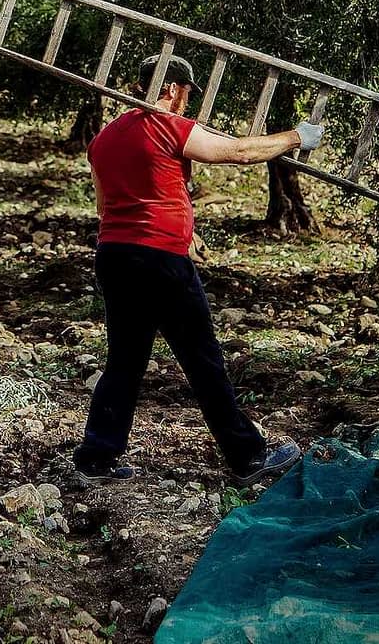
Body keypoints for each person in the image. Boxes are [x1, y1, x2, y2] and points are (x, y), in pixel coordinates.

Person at [73, 54, 325, 483]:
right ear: (172, 88)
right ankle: (248, 457)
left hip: (114, 256)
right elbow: (239, 152)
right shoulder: (168, 125)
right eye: (187, 93)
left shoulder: (104, 139)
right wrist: (296, 137)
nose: (187, 102)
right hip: (160, 261)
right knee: (203, 360)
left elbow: (104, 206)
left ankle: (96, 458)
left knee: (124, 362)